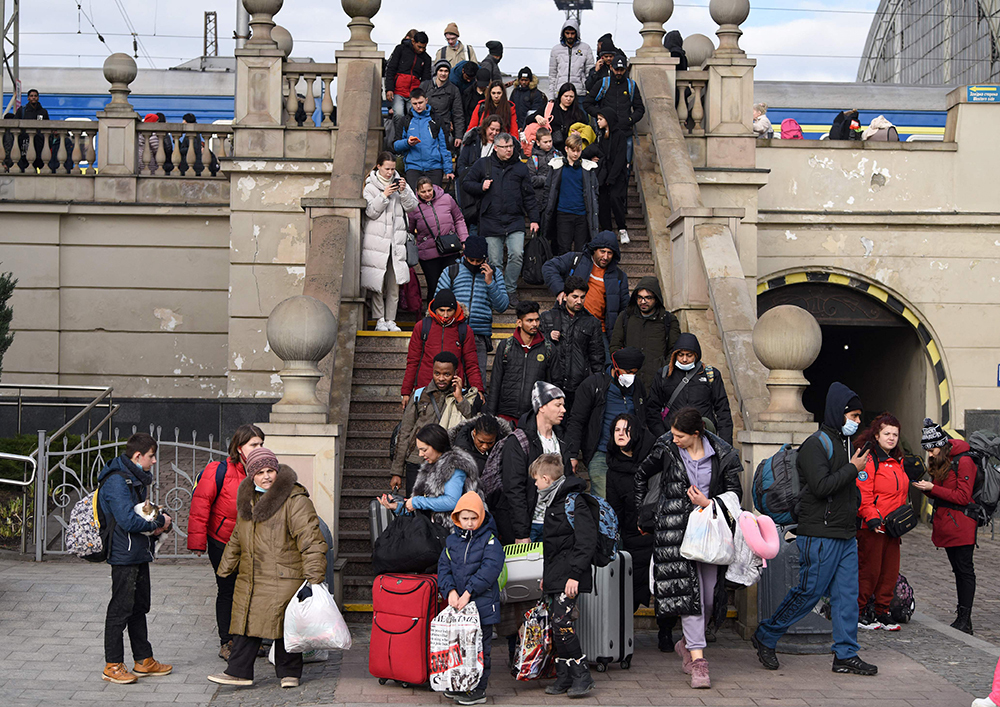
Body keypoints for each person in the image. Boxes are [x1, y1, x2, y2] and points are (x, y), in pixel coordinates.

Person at [752, 382, 879, 677]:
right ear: (839, 413)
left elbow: (844, 488)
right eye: (854, 416)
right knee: (808, 593)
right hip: (820, 534)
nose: (858, 422)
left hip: (844, 533)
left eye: (859, 417)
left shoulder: (844, 444)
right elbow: (821, 487)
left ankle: (846, 654)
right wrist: (852, 468)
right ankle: (767, 635)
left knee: (847, 596)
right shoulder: (815, 444)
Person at [633, 408, 742, 689]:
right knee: (690, 598)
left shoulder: (722, 454)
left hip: (709, 533)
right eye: (673, 433)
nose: (675, 439)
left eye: (680, 435)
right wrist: (645, 513)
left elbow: (735, 495)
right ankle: (699, 663)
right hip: (675, 532)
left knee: (706, 600)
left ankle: (687, 644)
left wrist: (709, 503)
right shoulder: (666, 448)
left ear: (697, 433)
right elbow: (641, 475)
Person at [209, 449, 327, 689]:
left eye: (270, 471)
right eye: (260, 472)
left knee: (285, 624)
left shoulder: (294, 500)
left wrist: (315, 578)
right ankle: (240, 671)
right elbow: (237, 537)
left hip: (285, 574)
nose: (266, 477)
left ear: (277, 471)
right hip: (252, 574)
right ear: (251, 475)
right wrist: (226, 568)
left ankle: (289, 673)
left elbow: (311, 540)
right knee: (245, 624)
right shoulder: (247, 499)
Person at [98, 433, 173, 685]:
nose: (154, 461)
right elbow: (128, 520)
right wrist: (160, 522)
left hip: (137, 551)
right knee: (120, 609)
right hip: (123, 554)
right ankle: (113, 664)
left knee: (139, 607)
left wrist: (156, 519)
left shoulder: (134, 478)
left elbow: (138, 515)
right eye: (151, 456)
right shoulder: (117, 481)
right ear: (137, 456)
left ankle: (143, 660)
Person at [188, 424, 265, 660]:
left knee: (252, 590)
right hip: (222, 541)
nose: (258, 448)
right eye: (254, 444)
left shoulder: (264, 471)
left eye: (261, 444)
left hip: (252, 543)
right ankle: (228, 641)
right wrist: (198, 543)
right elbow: (200, 507)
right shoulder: (217, 471)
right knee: (227, 590)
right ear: (239, 447)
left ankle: (248, 640)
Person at [534, 453, 598, 698]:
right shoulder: (553, 502)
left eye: (537, 480)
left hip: (569, 576)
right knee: (557, 624)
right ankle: (563, 676)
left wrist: (575, 575)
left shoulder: (573, 502)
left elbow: (586, 541)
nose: (536, 485)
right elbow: (552, 547)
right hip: (556, 575)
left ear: (547, 479)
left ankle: (582, 675)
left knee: (563, 623)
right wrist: (546, 577)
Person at [437, 491, 505, 705]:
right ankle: (461, 684)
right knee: (458, 647)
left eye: (473, 518)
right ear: (457, 518)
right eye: (464, 518)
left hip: (482, 606)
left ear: (481, 517)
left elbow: (489, 570)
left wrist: (468, 592)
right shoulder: (451, 541)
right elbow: (443, 568)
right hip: (458, 606)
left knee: (480, 648)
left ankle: (478, 688)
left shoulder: (491, 541)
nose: (469, 523)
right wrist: (450, 591)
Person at [913, 417, 978, 635]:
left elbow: (962, 496)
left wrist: (933, 488)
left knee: (965, 571)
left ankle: (965, 619)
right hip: (949, 525)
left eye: (932, 450)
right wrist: (926, 489)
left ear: (942, 445)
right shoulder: (942, 460)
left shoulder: (964, 460)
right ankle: (961, 617)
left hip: (962, 525)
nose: (930, 454)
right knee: (958, 571)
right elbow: (942, 492)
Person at [462, 132, 540, 302]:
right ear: (496, 148)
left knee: (517, 254)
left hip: (515, 219)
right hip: (490, 219)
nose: (509, 150)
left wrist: (534, 219)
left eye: (511, 146)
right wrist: (480, 186)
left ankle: (510, 289)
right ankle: (498, 291)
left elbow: (529, 196)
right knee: (495, 261)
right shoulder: (483, 164)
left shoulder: (520, 167)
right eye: (505, 147)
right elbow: (466, 183)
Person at [391, 351, 479, 495]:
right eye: (437, 373)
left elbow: (472, 422)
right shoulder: (419, 395)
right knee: (415, 506)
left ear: (455, 373)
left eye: (447, 374)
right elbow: (405, 433)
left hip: (447, 463)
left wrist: (459, 399)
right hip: (417, 460)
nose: (441, 378)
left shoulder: (465, 396)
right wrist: (397, 472)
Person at [565, 346, 647, 498]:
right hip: (601, 453)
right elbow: (577, 420)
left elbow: (644, 417)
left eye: (634, 373)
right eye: (628, 372)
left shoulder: (637, 387)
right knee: (603, 498)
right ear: (616, 368)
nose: (631, 376)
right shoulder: (593, 385)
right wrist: (572, 454)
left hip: (630, 454)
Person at [853, 413, 908, 632]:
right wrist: (872, 517)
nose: (891, 438)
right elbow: (863, 493)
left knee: (889, 572)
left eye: (895, 434)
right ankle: (859, 610)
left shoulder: (898, 461)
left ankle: (882, 610)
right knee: (870, 570)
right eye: (887, 433)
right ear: (877, 435)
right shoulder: (869, 459)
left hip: (893, 527)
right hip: (873, 527)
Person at [500, 382, 572, 544]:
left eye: (563, 405)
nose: (563, 410)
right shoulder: (519, 441)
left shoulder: (562, 440)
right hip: (530, 526)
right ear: (542, 407)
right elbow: (514, 489)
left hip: (556, 525)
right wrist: (521, 533)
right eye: (558, 405)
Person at [379, 423, 482, 528]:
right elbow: (423, 505)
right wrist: (399, 507)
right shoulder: (429, 467)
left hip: (450, 532)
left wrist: (416, 502)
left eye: (424, 450)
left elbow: (452, 501)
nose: (420, 454)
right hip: (433, 530)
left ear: (437, 445)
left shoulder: (454, 466)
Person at [435, 234, 509, 375]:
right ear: (464, 255)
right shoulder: (451, 271)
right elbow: (437, 303)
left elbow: (502, 306)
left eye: (479, 260)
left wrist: (490, 283)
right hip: (453, 331)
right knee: (451, 377)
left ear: (485, 259)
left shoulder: (494, 274)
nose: (475, 263)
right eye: (471, 260)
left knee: (477, 379)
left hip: (479, 336)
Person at [605, 413, 656, 615]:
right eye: (617, 430)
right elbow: (613, 508)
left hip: (655, 533)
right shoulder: (613, 468)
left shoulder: (653, 460)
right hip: (632, 535)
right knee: (631, 589)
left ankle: (666, 632)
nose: (621, 434)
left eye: (626, 430)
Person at [363, 151, 419, 332]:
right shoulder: (370, 186)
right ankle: (379, 319)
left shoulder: (401, 182)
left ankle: (391, 319)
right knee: (377, 283)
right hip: (377, 242)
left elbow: (412, 206)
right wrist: (384, 195)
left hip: (397, 241)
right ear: (378, 166)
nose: (390, 172)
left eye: (393, 169)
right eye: (387, 168)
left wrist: (402, 192)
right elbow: (371, 212)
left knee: (394, 284)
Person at [647, 333, 733, 445]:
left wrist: (724, 443)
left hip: (703, 437)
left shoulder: (710, 374)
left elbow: (722, 410)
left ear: (696, 355)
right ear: (675, 355)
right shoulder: (664, 375)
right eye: (681, 355)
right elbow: (652, 409)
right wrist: (662, 436)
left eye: (689, 355)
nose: (684, 359)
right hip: (673, 439)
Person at [401, 290, 484, 406]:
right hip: (426, 388)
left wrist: (478, 389)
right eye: (442, 310)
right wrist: (406, 392)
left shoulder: (464, 330)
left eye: (449, 310)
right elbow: (413, 361)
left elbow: (471, 364)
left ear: (455, 309)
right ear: (435, 310)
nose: (445, 315)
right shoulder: (422, 327)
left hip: (454, 390)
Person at [542, 230, 629, 338]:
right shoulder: (576, 260)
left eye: (609, 253)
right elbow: (549, 267)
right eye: (602, 251)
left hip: (599, 331)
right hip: (569, 325)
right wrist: (560, 290)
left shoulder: (620, 277)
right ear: (594, 250)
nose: (605, 257)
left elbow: (624, 309)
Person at [539, 275, 604, 413]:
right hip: (553, 384)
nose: (579, 301)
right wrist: (548, 337)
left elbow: (597, 357)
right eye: (575, 297)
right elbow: (536, 347)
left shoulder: (592, 323)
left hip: (580, 386)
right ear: (565, 295)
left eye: (582, 297)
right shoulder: (548, 317)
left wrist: (598, 384)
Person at [487, 301, 556, 424]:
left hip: (533, 416)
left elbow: (553, 385)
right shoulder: (505, 346)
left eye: (537, 320)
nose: (535, 324)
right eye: (529, 320)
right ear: (519, 322)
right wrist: (490, 416)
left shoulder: (548, 349)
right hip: (505, 415)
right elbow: (495, 382)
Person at [610, 276, 681, 389]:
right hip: (630, 380)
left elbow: (674, 349)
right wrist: (624, 370)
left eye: (648, 298)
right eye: (640, 297)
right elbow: (615, 345)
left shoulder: (668, 320)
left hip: (658, 381)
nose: (643, 302)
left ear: (656, 298)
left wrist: (664, 370)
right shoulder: (625, 317)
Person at [410, 175, 469, 299]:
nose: (427, 194)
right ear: (417, 192)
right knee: (433, 286)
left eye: (429, 190)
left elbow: (458, 219)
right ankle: (431, 315)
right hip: (428, 253)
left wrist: (464, 239)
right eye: (423, 192)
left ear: (433, 188)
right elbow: (409, 230)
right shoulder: (413, 206)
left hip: (450, 249)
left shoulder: (447, 198)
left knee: (452, 285)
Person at [583, 55, 644, 170]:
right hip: (605, 134)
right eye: (617, 69)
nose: (619, 73)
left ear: (625, 69)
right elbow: (587, 103)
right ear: (611, 67)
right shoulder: (603, 83)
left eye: (621, 70)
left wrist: (630, 120)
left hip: (625, 133)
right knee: (604, 166)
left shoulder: (631, 85)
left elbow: (640, 109)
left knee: (625, 168)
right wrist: (601, 116)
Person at [544, 132, 600, 255]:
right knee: (563, 249)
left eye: (578, 150)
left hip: (582, 215)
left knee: (581, 250)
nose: (575, 154)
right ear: (566, 149)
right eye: (573, 150)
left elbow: (594, 191)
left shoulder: (587, 168)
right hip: (563, 213)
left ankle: (578, 274)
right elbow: (548, 188)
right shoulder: (557, 166)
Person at [393, 88, 453, 190]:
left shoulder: (436, 119)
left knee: (435, 199)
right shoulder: (405, 121)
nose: (418, 106)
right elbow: (395, 145)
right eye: (415, 103)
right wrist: (407, 143)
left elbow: (444, 146)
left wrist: (448, 170)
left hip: (434, 167)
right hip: (413, 167)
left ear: (426, 100)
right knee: (415, 201)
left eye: (420, 102)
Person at [455, 115, 501, 235]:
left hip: (493, 191)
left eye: (497, 130)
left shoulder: (502, 145)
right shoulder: (473, 142)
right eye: (492, 129)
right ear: (485, 128)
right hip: (473, 191)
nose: (494, 133)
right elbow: (461, 164)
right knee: (474, 224)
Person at [385, 30, 432, 139]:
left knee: (414, 116)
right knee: (399, 114)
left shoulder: (426, 58)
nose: (421, 50)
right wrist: (389, 88)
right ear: (413, 42)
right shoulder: (400, 49)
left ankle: (412, 139)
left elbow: (426, 79)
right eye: (419, 47)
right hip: (398, 90)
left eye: (424, 48)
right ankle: (399, 139)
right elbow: (391, 69)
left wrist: (423, 94)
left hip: (414, 93)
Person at [594, 107, 630, 241]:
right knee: (603, 203)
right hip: (603, 175)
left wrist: (612, 177)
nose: (598, 122)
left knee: (616, 198)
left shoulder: (619, 135)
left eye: (600, 119)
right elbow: (597, 150)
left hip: (616, 175)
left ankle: (622, 228)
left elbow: (620, 158)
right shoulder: (601, 135)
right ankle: (607, 232)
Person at [421, 60, 466, 151]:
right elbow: (416, 105)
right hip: (425, 123)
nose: (443, 73)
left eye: (446, 71)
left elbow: (458, 113)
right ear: (436, 72)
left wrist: (458, 136)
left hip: (443, 125)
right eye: (441, 70)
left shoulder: (453, 89)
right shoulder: (425, 86)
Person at [450, 413, 511, 478]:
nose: (485, 446)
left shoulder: (503, 444)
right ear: (474, 433)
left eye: (490, 443)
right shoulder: (460, 448)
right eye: (481, 442)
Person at [535, 83, 588, 153]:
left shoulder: (578, 113)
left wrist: (580, 135)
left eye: (571, 97)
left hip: (571, 150)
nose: (568, 99)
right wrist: (537, 117)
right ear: (560, 96)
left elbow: (587, 129)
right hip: (550, 148)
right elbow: (529, 119)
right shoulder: (550, 108)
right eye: (566, 96)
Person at [548, 18, 594, 98]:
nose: (570, 36)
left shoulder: (586, 48)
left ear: (577, 33)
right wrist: (551, 96)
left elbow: (590, 73)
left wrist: (588, 90)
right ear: (563, 33)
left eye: (572, 33)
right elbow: (552, 75)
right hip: (561, 93)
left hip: (580, 93)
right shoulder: (556, 50)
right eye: (567, 33)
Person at [526, 128, 558, 226]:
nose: (549, 144)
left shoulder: (557, 155)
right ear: (538, 143)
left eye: (550, 141)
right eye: (545, 142)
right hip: (539, 200)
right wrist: (548, 179)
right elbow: (531, 179)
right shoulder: (533, 159)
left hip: (555, 200)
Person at [511, 67, 547, 133]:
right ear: (518, 80)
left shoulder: (536, 94)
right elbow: (511, 109)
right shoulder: (515, 92)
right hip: (515, 127)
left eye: (526, 80)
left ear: (530, 80)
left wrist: (524, 126)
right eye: (522, 80)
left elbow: (535, 113)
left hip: (529, 127)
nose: (524, 82)